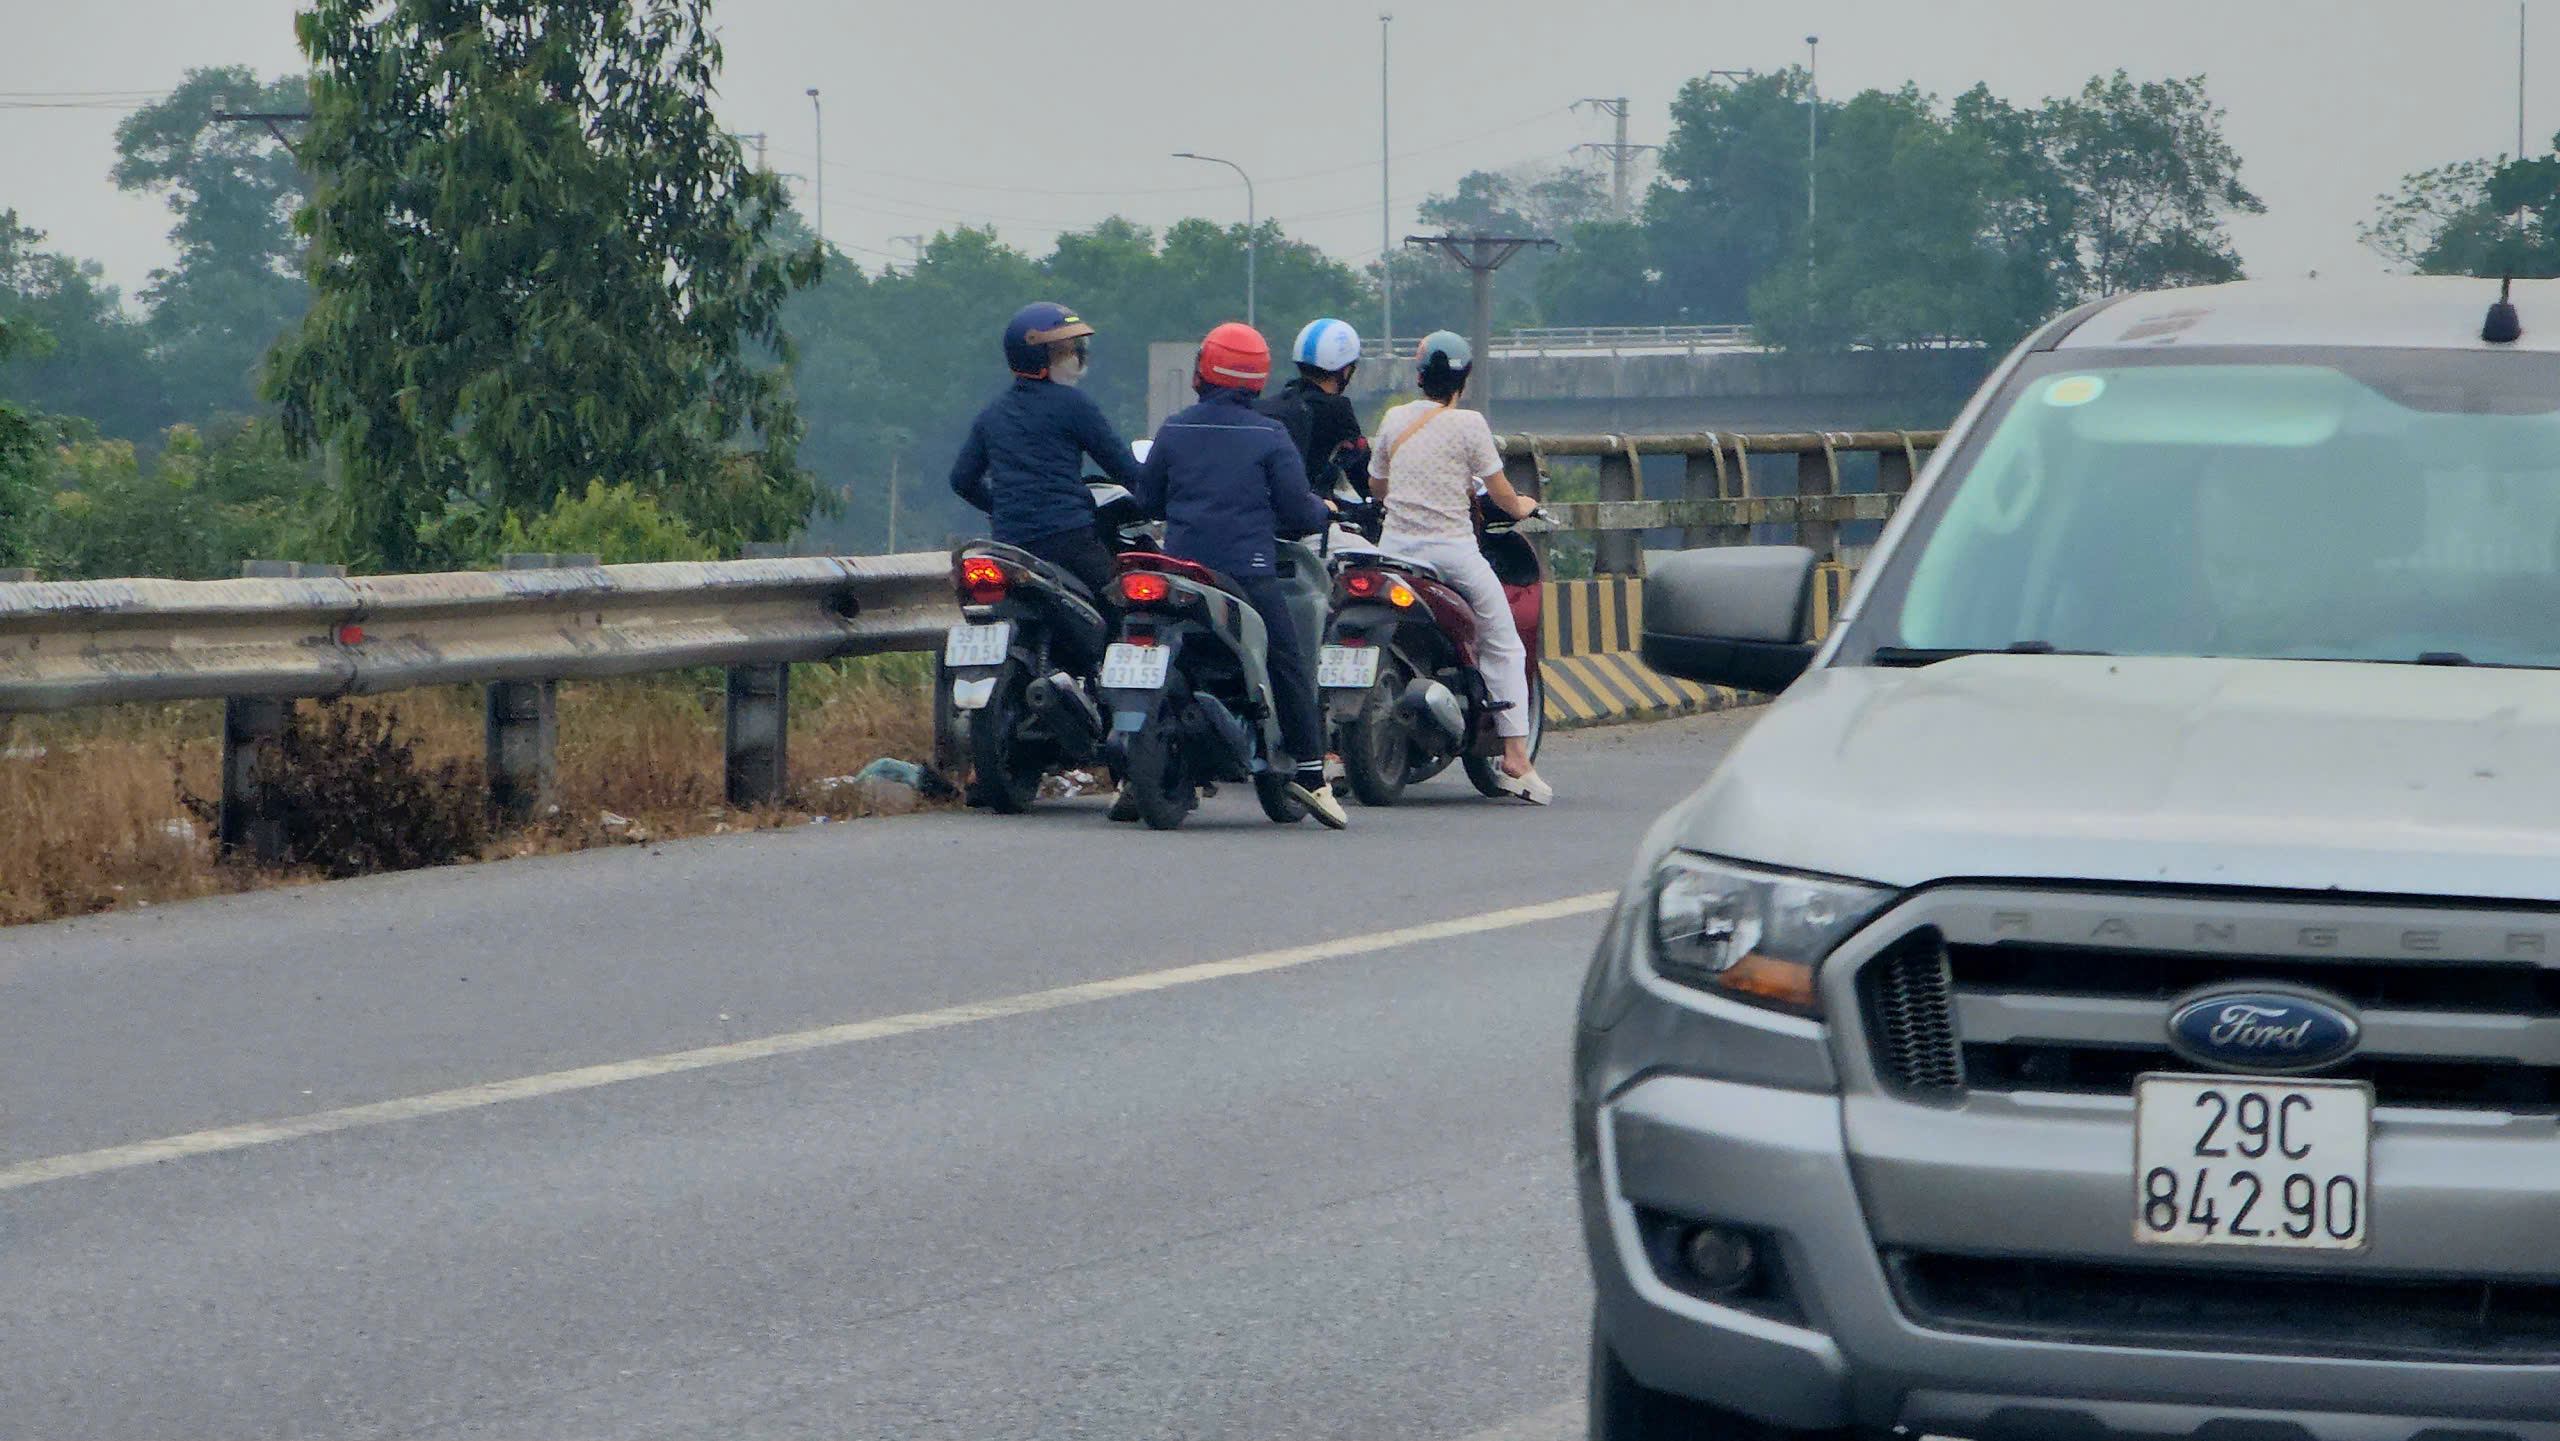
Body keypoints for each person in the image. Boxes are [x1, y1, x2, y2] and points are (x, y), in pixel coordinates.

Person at [1133, 322, 1349, 829]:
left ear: (1204, 370)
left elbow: (1148, 501)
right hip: (1246, 574)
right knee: (1287, 658)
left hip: (1181, 570)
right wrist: (1324, 509)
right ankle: (1313, 774)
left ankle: (1128, 778)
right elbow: (1297, 512)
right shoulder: (1268, 434)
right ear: (1256, 378)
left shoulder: (1174, 429)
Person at [1369, 331, 1552, 805]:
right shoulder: (1469, 425)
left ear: (1419, 377)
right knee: (1503, 641)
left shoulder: (1394, 419)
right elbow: (1504, 497)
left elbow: (1377, 488)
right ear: (1462, 381)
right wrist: (1526, 505)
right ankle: (1515, 755)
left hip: (1395, 553)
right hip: (1452, 553)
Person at [948, 301, 1144, 597]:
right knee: (1122, 609)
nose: (1078, 355)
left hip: (1009, 547)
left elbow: (961, 480)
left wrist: (1002, 508)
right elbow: (1125, 470)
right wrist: (1162, 500)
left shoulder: (993, 414)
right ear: (1036, 357)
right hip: (1068, 541)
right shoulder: (1074, 405)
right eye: (1066, 349)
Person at [1256, 317, 1373, 502]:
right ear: (1345, 370)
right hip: (1305, 515)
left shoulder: (1275, 403)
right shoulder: (1337, 410)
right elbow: (1365, 479)